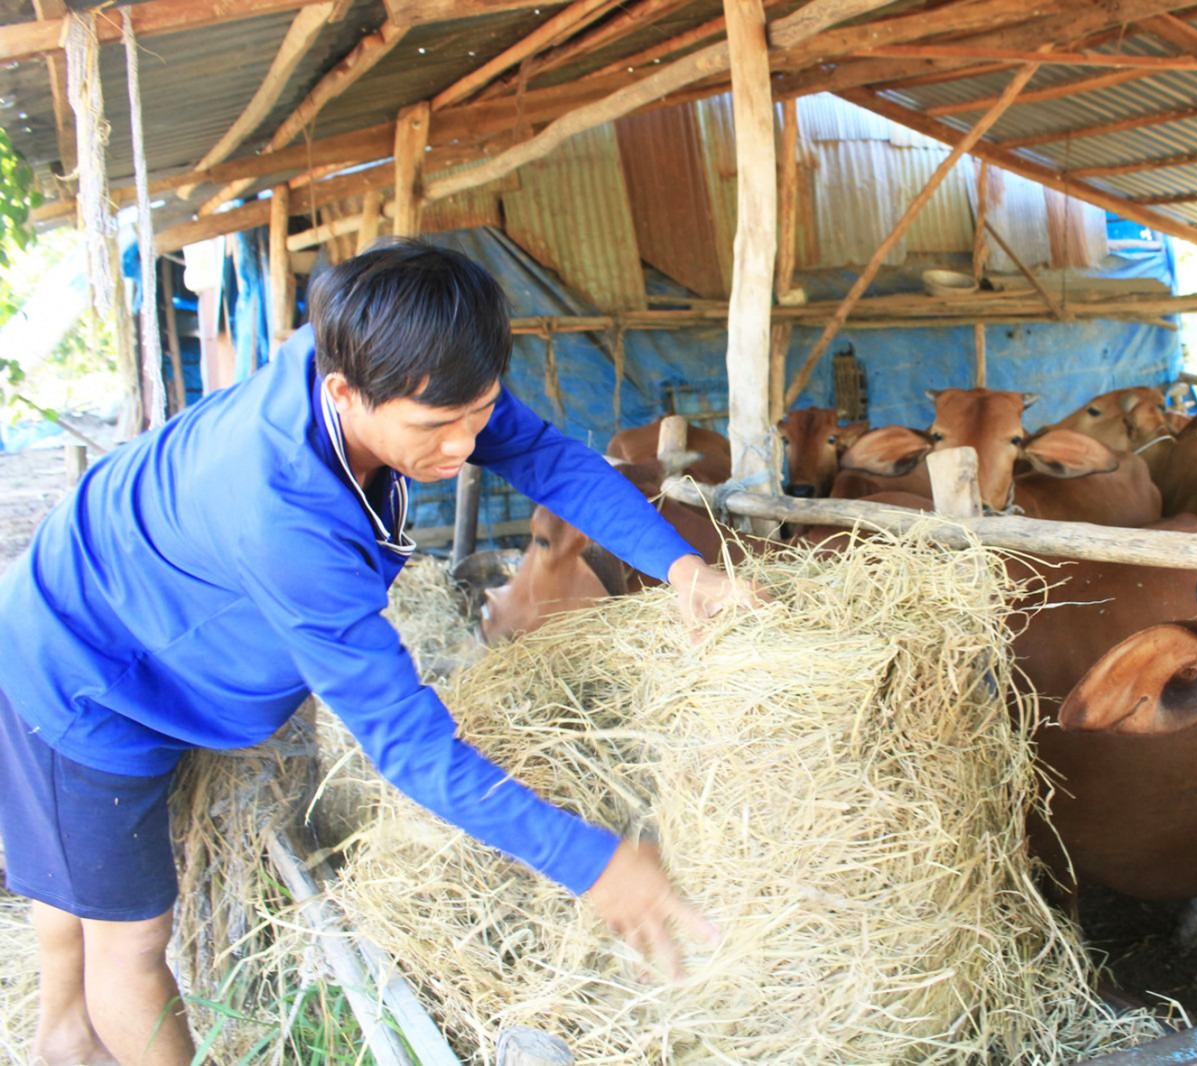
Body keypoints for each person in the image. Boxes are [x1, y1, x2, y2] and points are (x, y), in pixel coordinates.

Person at [0, 240, 747, 1065]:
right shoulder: (285, 519)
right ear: (343, 391)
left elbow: (537, 452)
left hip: (131, 592)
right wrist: (594, 863)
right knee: (131, 944)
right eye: (435, 428)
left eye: (480, 412)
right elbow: (410, 746)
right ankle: (71, 1036)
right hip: (84, 673)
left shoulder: (385, 356)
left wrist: (679, 565)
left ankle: (60, 1040)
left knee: (76, 909)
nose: (464, 448)